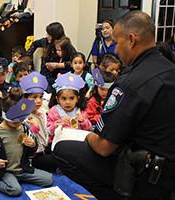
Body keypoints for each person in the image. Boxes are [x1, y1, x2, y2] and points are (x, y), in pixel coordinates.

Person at [52, 11, 175, 200]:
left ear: (131, 40)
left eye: (117, 43)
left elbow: (104, 146)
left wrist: (88, 137)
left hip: (145, 175)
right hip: (168, 169)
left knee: (61, 150)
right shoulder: (170, 69)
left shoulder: (130, 83)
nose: (115, 51)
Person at [0, 90, 53, 197]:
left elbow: (29, 152)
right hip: (6, 171)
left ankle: (17, 179)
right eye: (15, 121)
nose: (18, 123)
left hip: (22, 168)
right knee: (15, 190)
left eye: (21, 120)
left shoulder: (23, 128)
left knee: (48, 179)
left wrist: (33, 145)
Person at [20, 72, 57, 171]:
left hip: (44, 147)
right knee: (56, 160)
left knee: (62, 150)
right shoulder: (24, 117)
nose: (39, 101)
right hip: (33, 155)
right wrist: (34, 128)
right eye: (34, 97)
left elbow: (45, 132)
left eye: (41, 97)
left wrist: (54, 127)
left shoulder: (41, 113)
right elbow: (25, 140)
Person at [26, 22, 74, 92]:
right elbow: (35, 43)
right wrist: (27, 57)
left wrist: (58, 65)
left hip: (58, 78)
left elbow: (76, 62)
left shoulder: (64, 45)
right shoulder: (45, 42)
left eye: (49, 34)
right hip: (44, 77)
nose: (47, 36)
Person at [47, 73, 91, 144]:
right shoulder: (54, 111)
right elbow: (47, 130)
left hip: (78, 141)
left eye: (71, 98)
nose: (68, 102)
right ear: (58, 99)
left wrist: (83, 121)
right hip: (61, 142)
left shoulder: (80, 111)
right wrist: (58, 123)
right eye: (64, 99)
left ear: (77, 99)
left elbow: (88, 128)